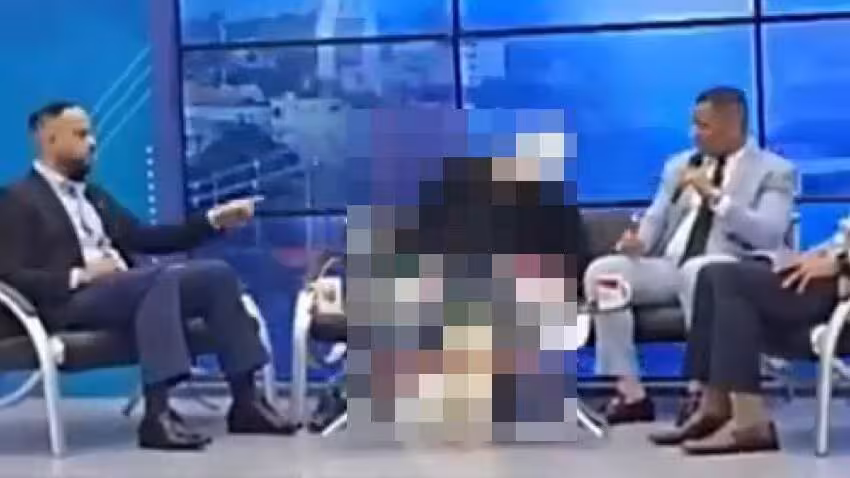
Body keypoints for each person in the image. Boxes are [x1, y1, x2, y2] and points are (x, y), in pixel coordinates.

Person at [0, 101, 298, 451]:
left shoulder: (94, 197)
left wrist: (213, 221)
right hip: (70, 302)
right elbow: (10, 274)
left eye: (91, 133)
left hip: (125, 291)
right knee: (156, 280)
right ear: (49, 139)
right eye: (81, 135)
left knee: (215, 275)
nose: (92, 142)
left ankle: (246, 403)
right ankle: (157, 415)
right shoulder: (17, 199)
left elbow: (146, 238)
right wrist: (80, 275)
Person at [582, 86, 796, 425]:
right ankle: (630, 393)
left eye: (703, 126)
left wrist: (715, 197)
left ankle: (702, 392)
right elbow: (656, 216)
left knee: (701, 272)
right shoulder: (680, 165)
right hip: (670, 266)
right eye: (693, 124)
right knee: (605, 273)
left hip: (731, 267)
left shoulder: (774, 171)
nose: (693, 133)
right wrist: (639, 242)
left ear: (732, 126)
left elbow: (768, 233)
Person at [648, 238, 846, 454]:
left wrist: (839, 263)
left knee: (730, 281)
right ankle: (713, 408)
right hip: (832, 275)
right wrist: (819, 255)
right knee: (710, 274)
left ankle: (749, 420)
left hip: (840, 289)